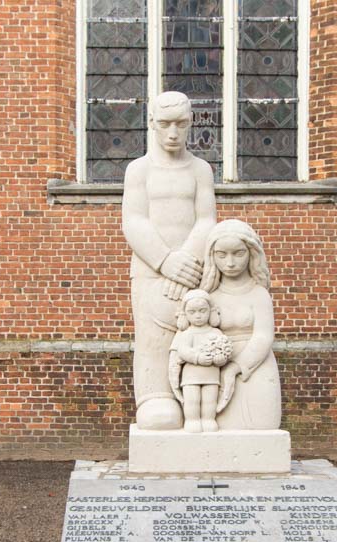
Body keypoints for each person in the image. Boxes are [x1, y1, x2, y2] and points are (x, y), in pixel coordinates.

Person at [122, 91, 217, 429]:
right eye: (164, 125)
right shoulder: (139, 170)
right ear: (151, 124)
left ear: (191, 123)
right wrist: (165, 261)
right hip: (151, 271)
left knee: (195, 328)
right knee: (152, 336)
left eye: (181, 124)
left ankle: (197, 401)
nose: (173, 133)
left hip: (192, 272)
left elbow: (206, 219)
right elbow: (133, 220)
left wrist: (187, 261)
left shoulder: (200, 170)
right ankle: (154, 395)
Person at [200, 219, 282, 430]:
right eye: (221, 255)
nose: (230, 263)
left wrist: (236, 367)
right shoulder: (209, 298)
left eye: (238, 254)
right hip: (218, 367)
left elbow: (263, 336)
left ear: (251, 253)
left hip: (255, 366)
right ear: (212, 256)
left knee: (264, 425)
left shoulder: (259, 294)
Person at [168, 290, 231, 433]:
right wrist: (197, 358)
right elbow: (182, 351)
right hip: (191, 376)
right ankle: (192, 420)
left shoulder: (216, 333)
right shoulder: (187, 333)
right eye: (192, 312)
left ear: (210, 311)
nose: (198, 316)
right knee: (192, 400)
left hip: (211, 376)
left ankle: (209, 420)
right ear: (185, 314)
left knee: (210, 400)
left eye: (203, 311)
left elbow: (224, 350)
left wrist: (220, 359)